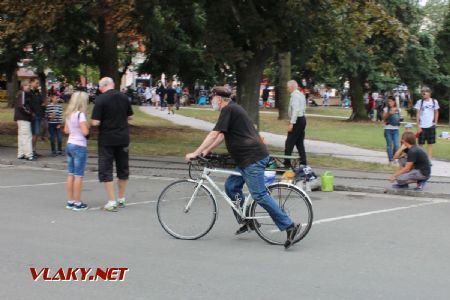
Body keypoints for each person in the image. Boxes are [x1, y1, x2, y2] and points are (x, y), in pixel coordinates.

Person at [185, 86, 301, 249]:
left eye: (212, 98)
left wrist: (195, 153)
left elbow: (213, 134)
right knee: (231, 187)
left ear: (219, 99)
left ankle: (289, 225)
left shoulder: (228, 110)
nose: (211, 101)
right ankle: (247, 221)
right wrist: (206, 150)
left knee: (259, 195)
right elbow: (221, 135)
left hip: (252, 158)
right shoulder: (232, 109)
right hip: (245, 160)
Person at [91, 77, 133, 212]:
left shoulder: (100, 100)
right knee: (123, 168)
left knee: (106, 169)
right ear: (113, 84)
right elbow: (130, 116)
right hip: (123, 138)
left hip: (107, 139)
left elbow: (95, 122)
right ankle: (121, 198)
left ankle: (111, 200)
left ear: (102, 86)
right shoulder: (124, 97)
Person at [64, 92, 90, 211]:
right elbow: (85, 132)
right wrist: (88, 128)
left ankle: (70, 200)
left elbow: (66, 130)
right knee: (79, 175)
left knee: (71, 174)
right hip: (79, 145)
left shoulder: (69, 114)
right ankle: (77, 202)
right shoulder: (81, 115)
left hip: (70, 143)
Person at [284, 80, 307, 169]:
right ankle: (303, 163)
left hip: (297, 120)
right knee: (299, 142)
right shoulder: (300, 95)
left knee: (289, 142)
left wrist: (292, 123)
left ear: (292, 87)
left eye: (287, 87)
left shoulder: (295, 96)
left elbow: (296, 110)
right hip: (302, 119)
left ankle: (287, 164)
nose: (287, 89)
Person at [414, 87, 439, 160]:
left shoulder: (434, 101)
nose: (424, 93)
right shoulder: (420, 102)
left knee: (430, 144)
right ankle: (421, 159)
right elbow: (417, 114)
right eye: (422, 92)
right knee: (420, 144)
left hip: (431, 126)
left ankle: (429, 159)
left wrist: (435, 123)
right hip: (422, 126)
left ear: (429, 93)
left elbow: (436, 112)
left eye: (425, 92)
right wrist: (418, 126)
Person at [14, 81, 34, 161]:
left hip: (20, 118)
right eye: (28, 85)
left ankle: (21, 153)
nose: (29, 87)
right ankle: (28, 155)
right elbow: (22, 106)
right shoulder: (23, 93)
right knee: (27, 136)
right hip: (24, 118)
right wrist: (30, 112)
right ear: (23, 86)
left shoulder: (19, 94)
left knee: (22, 136)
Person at [383, 96, 401, 164]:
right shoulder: (386, 109)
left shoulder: (398, 109)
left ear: (394, 102)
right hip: (388, 129)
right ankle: (390, 160)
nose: (389, 102)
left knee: (396, 145)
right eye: (388, 101)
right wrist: (389, 113)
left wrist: (399, 120)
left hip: (396, 129)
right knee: (389, 145)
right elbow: (384, 118)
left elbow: (399, 118)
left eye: (391, 101)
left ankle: (394, 157)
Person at [29, 78, 45, 157]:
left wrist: (43, 105)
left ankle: (33, 150)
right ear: (31, 83)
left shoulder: (37, 92)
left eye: (38, 83)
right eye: (36, 83)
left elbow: (41, 102)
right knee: (34, 133)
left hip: (39, 115)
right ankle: (31, 151)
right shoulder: (29, 92)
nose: (38, 85)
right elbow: (27, 104)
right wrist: (32, 113)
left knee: (36, 133)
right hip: (33, 116)